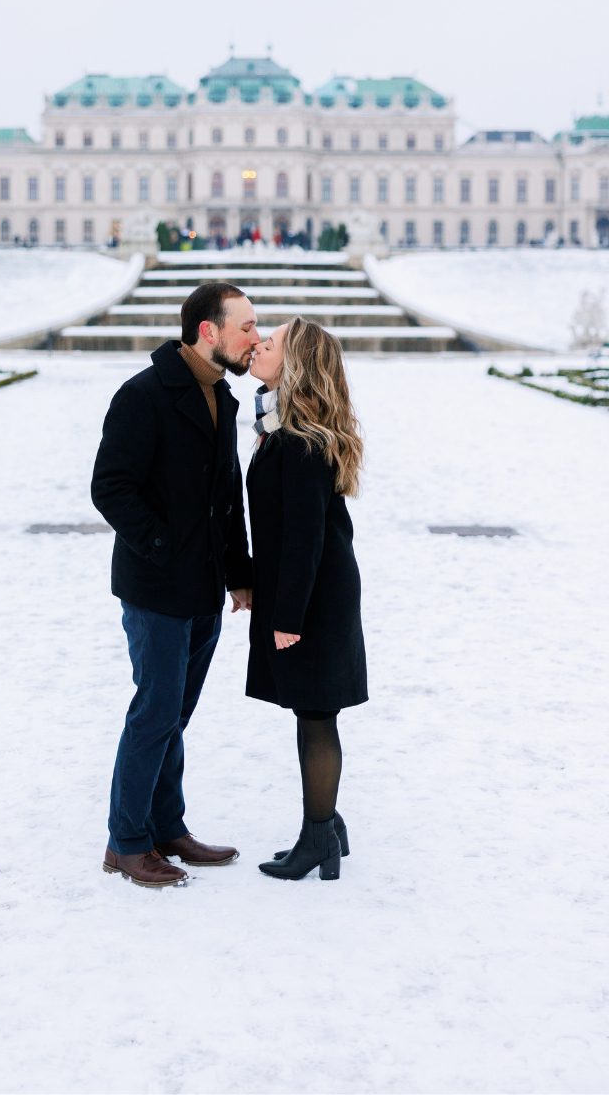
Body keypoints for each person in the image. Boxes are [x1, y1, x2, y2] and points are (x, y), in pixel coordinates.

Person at [91, 283, 261, 888]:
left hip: (206, 587)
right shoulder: (143, 395)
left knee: (174, 716)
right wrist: (164, 549)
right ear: (208, 331)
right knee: (154, 712)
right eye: (245, 326)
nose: (255, 338)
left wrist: (238, 572)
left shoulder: (223, 397)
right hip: (157, 587)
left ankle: (167, 826)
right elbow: (110, 488)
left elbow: (226, 496)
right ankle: (126, 842)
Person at [247, 316, 367, 881]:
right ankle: (326, 822)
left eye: (269, 344)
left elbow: (305, 537)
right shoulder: (285, 427)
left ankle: (318, 835)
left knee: (317, 714)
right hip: (309, 589)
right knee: (311, 710)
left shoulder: (300, 440)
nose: (258, 345)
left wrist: (288, 614)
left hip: (313, 597)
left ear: (295, 366)